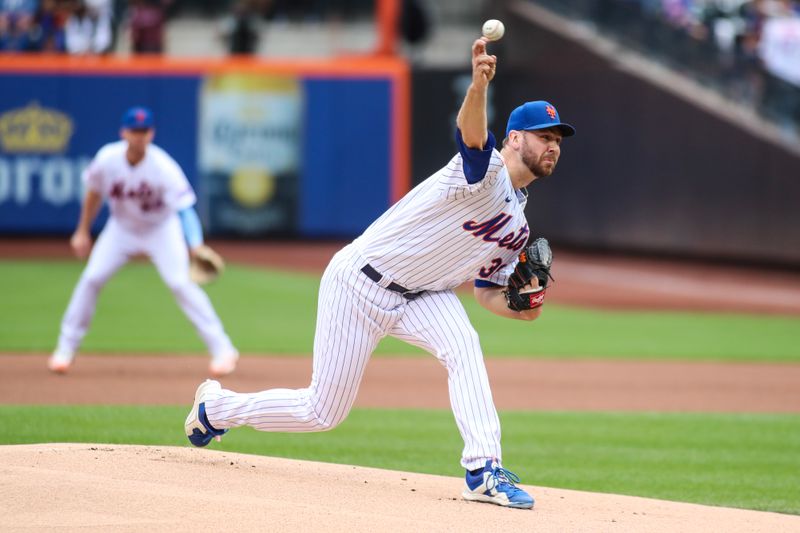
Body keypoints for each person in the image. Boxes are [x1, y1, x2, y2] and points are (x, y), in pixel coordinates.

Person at [184, 37, 575, 509]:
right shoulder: (485, 171)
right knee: (322, 412)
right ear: (515, 138)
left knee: (463, 345)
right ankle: (217, 407)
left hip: (422, 297)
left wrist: (524, 307)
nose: (553, 147)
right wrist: (478, 85)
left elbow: (488, 292)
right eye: (544, 137)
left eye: (556, 141)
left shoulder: (517, 227)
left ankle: (483, 470)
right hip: (359, 282)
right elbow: (472, 133)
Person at [49, 106, 239, 377]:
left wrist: (195, 244)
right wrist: (82, 230)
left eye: (144, 131)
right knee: (92, 278)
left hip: (160, 229)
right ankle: (65, 349)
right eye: (135, 130)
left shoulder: (164, 167)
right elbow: (94, 194)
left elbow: (185, 209)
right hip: (121, 229)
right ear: (123, 132)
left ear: (152, 134)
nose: (139, 136)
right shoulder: (107, 159)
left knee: (180, 283)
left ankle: (223, 350)